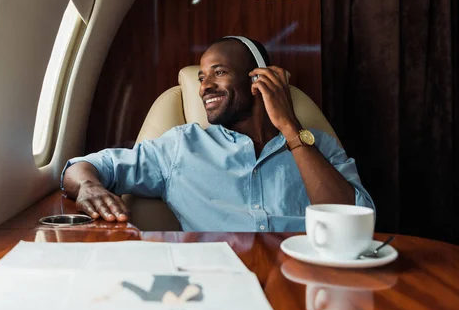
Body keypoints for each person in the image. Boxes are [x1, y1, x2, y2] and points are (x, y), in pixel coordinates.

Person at [62, 36, 374, 231]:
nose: (204, 87)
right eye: (201, 77)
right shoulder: (181, 146)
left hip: (303, 281)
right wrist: (87, 186)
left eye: (219, 72)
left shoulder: (317, 144)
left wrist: (290, 128)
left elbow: (356, 219)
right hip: (215, 286)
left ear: (260, 79)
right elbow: (83, 167)